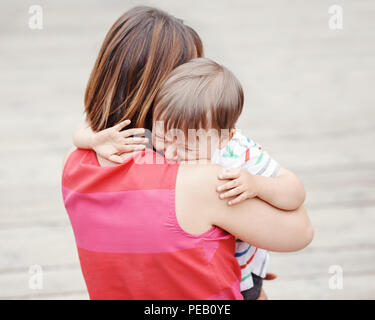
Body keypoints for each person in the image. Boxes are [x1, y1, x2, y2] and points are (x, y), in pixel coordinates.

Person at [63, 6, 313, 300]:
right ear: (164, 88)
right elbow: (300, 232)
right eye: (188, 74)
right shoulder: (200, 181)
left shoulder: (76, 163)